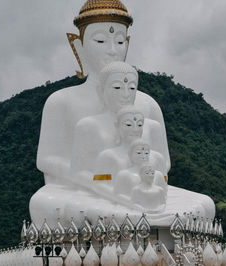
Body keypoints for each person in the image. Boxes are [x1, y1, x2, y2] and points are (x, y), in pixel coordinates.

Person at [36, 0, 170, 184]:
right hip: (83, 189)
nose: (113, 50)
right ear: (78, 45)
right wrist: (95, 179)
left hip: (137, 185)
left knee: (204, 204)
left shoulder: (148, 105)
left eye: (120, 41)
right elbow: (46, 160)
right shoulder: (61, 102)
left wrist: (134, 175)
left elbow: (164, 162)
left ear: (127, 44)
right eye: (100, 41)